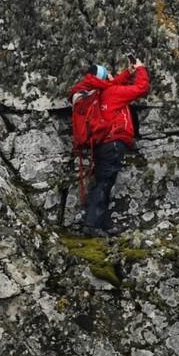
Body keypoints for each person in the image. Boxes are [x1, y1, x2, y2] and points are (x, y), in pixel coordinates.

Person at [68, 58, 149, 236]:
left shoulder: (99, 93)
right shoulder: (112, 93)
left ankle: (104, 224)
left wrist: (128, 72)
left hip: (102, 143)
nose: (112, 76)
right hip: (114, 142)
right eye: (109, 75)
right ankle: (92, 225)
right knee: (104, 184)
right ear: (104, 78)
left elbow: (114, 84)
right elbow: (141, 88)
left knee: (105, 182)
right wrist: (141, 69)